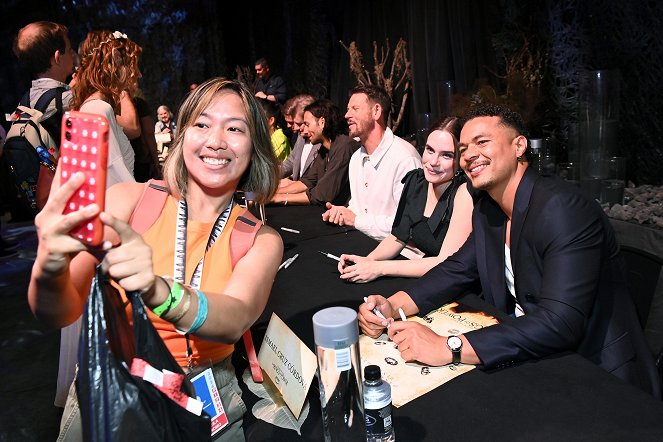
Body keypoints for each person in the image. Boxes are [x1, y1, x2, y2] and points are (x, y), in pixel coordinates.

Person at [29, 78, 283, 439]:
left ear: (254, 147)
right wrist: (49, 266)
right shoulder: (130, 201)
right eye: (202, 124)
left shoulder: (259, 238)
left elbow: (235, 318)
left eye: (235, 129)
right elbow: (57, 312)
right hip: (114, 382)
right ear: (181, 136)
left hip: (203, 393)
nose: (216, 141)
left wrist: (158, 290)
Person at [358, 103, 661, 399]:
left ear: (519, 146)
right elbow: (458, 269)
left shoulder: (562, 209)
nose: (469, 155)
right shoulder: (488, 209)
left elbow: (560, 322)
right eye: (463, 149)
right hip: (532, 358)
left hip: (598, 378)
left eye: (482, 142)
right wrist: (392, 304)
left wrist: (448, 346)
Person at [337, 117, 474, 283]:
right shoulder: (416, 181)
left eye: (446, 155)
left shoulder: (464, 194)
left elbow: (444, 262)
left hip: (455, 285)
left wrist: (379, 268)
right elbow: (397, 237)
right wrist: (368, 261)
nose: (433, 162)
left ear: (460, 159)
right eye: (430, 150)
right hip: (426, 279)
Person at [322, 85, 421, 240]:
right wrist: (343, 212)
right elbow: (358, 207)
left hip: (400, 254)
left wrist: (355, 220)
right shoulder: (355, 158)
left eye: (355, 108)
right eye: (348, 109)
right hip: (361, 242)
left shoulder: (405, 159)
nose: (347, 115)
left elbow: (408, 225)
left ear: (376, 111)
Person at [272, 99, 359, 206]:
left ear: (322, 122)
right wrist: (272, 194)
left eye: (307, 124)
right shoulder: (325, 149)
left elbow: (323, 194)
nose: (305, 131)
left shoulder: (344, 147)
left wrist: (278, 198)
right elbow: (308, 181)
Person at [279, 94, 320, 181]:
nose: (296, 128)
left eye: (300, 124)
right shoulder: (301, 137)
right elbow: (291, 161)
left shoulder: (322, 142)